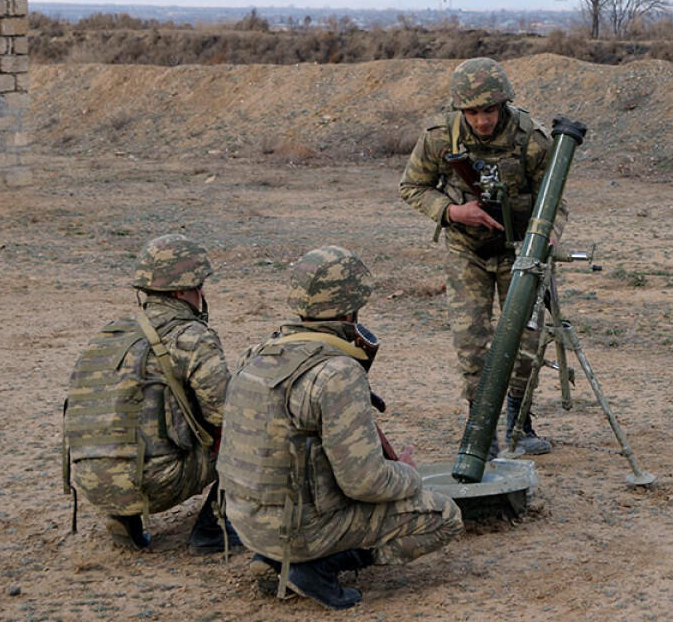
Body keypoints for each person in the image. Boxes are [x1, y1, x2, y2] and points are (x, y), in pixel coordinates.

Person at [218, 245, 463, 611]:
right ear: (352, 308)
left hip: (246, 523)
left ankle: (276, 559)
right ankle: (314, 568)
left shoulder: (255, 354)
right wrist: (408, 475)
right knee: (444, 516)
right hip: (298, 529)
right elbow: (364, 482)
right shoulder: (337, 373)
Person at [399, 57, 568, 456]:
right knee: (472, 343)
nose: (482, 121)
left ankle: (519, 424)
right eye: (472, 112)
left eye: (489, 110)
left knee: (525, 343)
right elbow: (412, 186)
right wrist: (453, 212)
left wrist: (547, 241)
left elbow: (555, 201)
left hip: (519, 253)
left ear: (504, 104)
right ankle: (480, 430)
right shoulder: (441, 137)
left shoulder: (532, 139)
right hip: (467, 250)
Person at [63, 233, 235, 553]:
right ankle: (214, 528)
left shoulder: (113, 335)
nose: (202, 292)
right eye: (199, 284)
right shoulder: (192, 336)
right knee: (256, 435)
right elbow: (227, 416)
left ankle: (123, 515)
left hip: (92, 481)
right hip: (156, 483)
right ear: (184, 289)